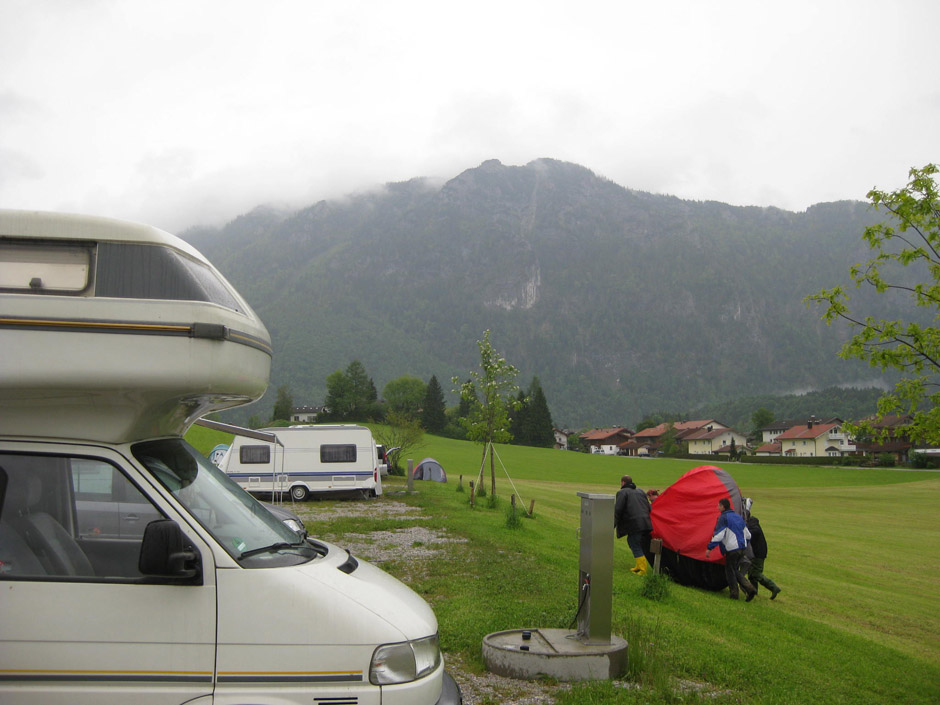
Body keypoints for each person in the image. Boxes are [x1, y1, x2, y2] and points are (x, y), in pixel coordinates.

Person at [705, 498, 757, 601]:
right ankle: (749, 588)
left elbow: (719, 535)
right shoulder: (738, 517)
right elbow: (748, 535)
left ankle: (735, 593)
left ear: (723, 507)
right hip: (742, 547)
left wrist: (709, 548)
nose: (718, 507)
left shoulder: (723, 518)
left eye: (719, 505)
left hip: (732, 549)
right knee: (733, 569)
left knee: (730, 571)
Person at [614, 475, 652, 575]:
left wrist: (612, 524)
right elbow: (649, 507)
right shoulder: (640, 492)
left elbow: (618, 510)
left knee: (635, 543)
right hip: (645, 522)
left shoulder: (622, 493)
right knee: (632, 541)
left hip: (634, 524)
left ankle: (643, 569)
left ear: (622, 482)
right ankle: (638, 566)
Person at [745, 508, 782, 600]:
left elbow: (755, 531)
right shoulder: (751, 523)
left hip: (758, 553)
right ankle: (753, 591)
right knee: (751, 574)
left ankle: (774, 587)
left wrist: (745, 530)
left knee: (756, 573)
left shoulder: (753, 524)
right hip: (755, 552)